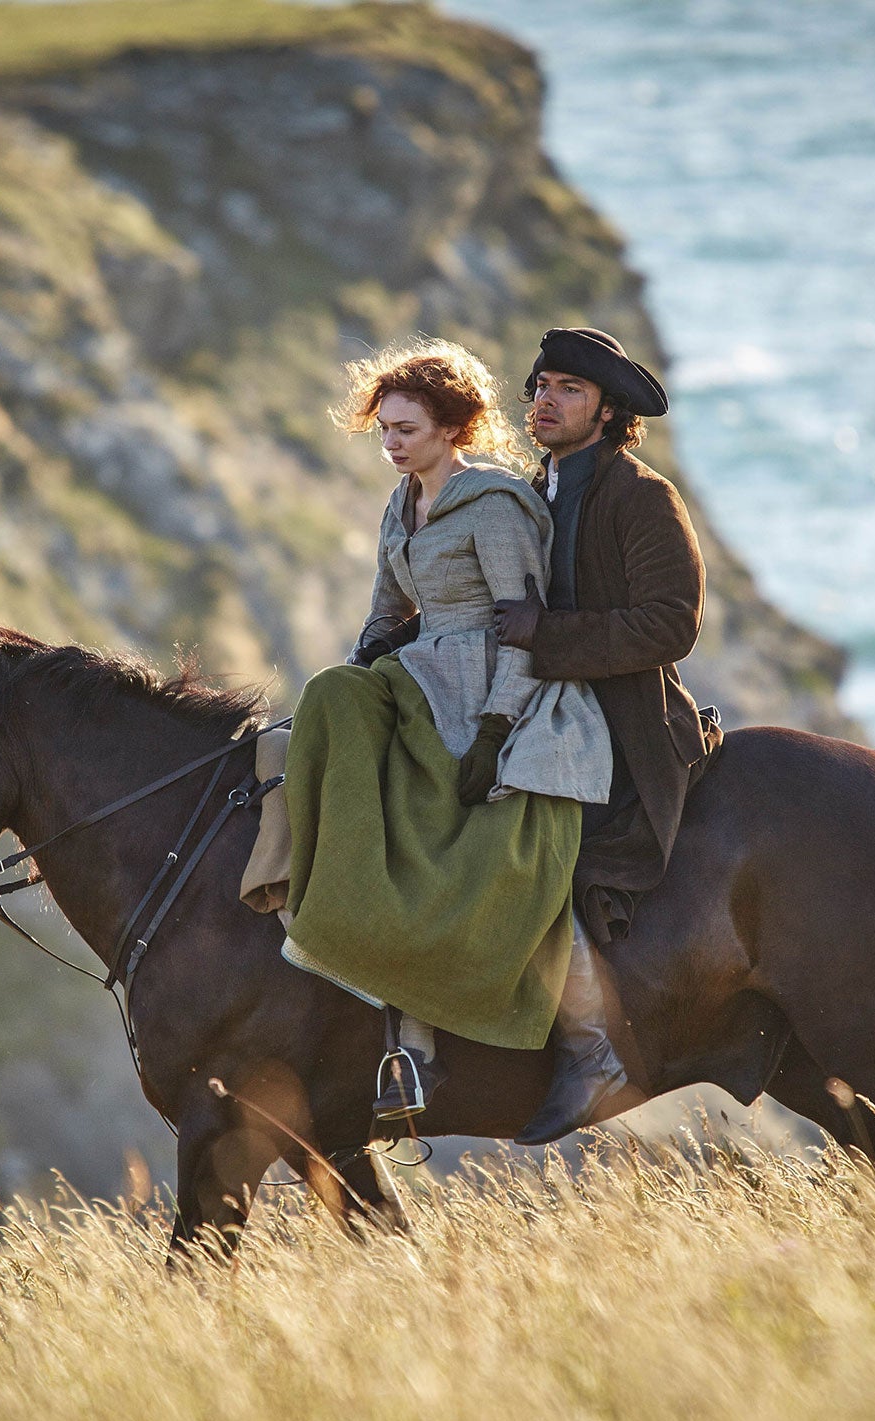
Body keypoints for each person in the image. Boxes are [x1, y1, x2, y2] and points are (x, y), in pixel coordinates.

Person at [280, 341, 613, 1121]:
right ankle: (384, 1014)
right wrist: (363, 661)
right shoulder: (400, 505)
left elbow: (528, 624)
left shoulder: (494, 505)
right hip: (421, 678)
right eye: (385, 429)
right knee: (327, 700)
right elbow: (384, 614)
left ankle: (569, 1035)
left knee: (456, 847)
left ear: (453, 427)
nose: (392, 443)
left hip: (496, 689)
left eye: (407, 428)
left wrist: (498, 728)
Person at [492, 327, 714, 1145]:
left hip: (626, 734)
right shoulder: (531, 488)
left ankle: (593, 1058)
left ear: (610, 411)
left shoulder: (641, 496)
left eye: (570, 390)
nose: (546, 400)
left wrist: (547, 634)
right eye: (542, 385)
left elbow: (672, 623)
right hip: (539, 715)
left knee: (527, 853)